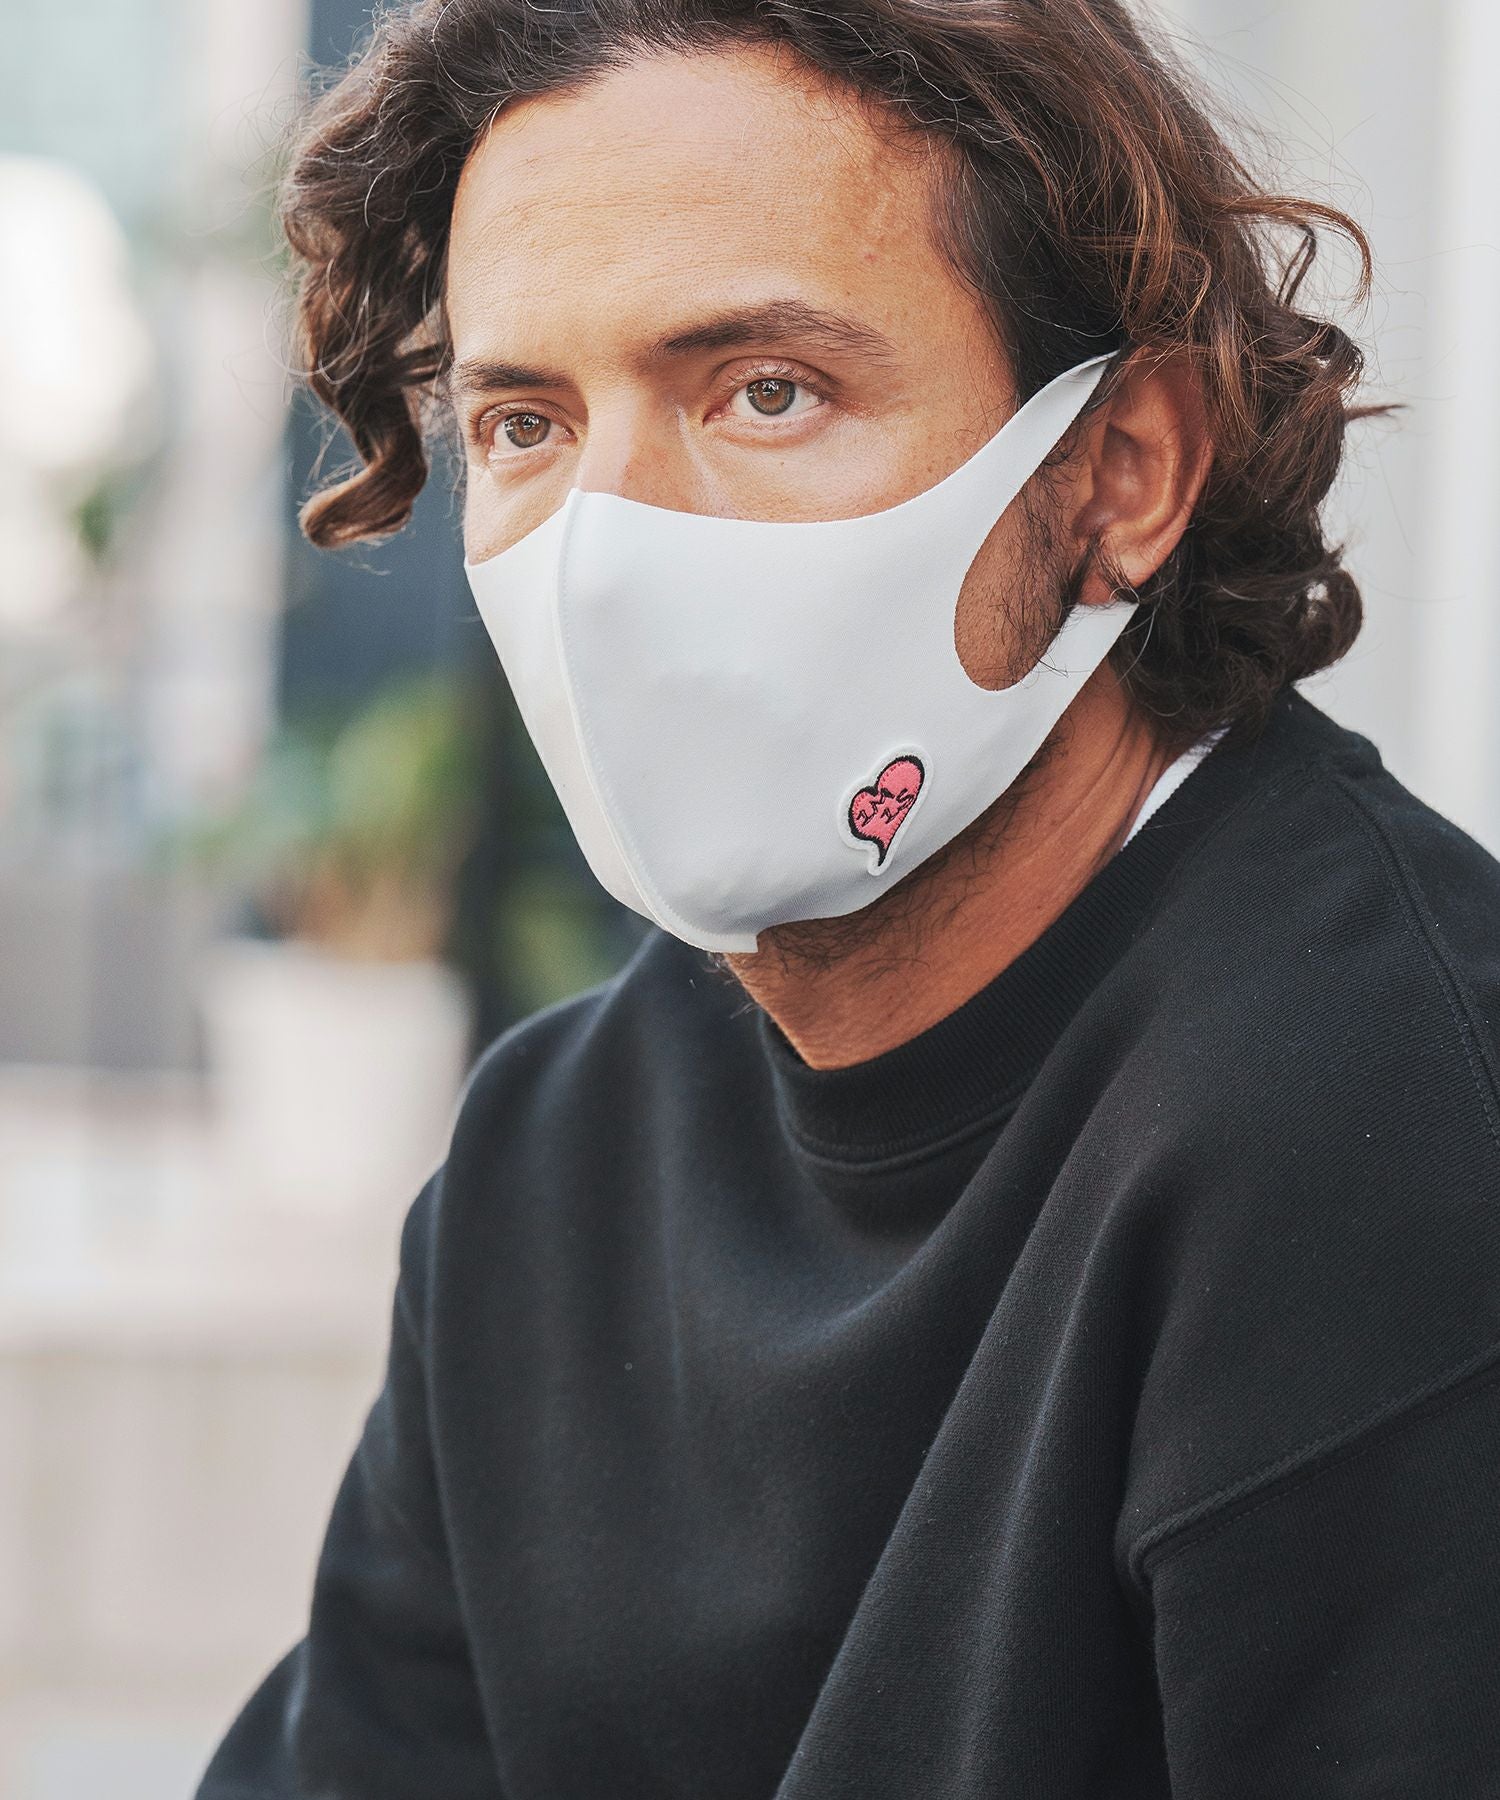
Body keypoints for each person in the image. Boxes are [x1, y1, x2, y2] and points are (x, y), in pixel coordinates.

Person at [195, 1, 1500, 1794]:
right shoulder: (549, 1160)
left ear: (1121, 472)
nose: (608, 556)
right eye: (524, 421)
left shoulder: (1388, 1124)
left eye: (766, 391)